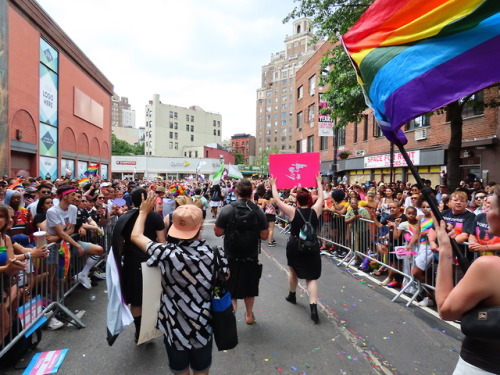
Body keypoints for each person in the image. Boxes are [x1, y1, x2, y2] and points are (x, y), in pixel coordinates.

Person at [131, 196, 228, 375]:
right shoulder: (214, 254)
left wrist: (143, 212)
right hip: (203, 324)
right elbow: (226, 276)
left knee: (179, 370)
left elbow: (136, 236)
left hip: (174, 325)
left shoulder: (165, 253)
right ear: (200, 226)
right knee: (202, 370)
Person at [435, 185, 500, 374]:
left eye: (489, 208)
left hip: (483, 365)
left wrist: (446, 250)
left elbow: (446, 311)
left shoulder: (489, 267)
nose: (485, 213)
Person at [270, 174, 324, 324]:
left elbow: (277, 200)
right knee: (311, 277)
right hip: (312, 246)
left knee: (293, 270)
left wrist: (274, 184)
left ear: (297, 200)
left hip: (295, 245)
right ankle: (313, 307)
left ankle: (292, 295)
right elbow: (321, 198)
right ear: (309, 199)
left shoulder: (293, 211)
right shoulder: (315, 211)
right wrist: (319, 183)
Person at [214, 179, 268, 325]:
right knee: (250, 288)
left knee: (231, 290)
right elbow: (264, 236)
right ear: (252, 193)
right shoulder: (257, 211)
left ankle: (230, 320)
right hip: (250, 256)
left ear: (236, 191)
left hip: (231, 256)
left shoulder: (228, 209)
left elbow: (218, 233)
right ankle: (249, 315)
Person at [117, 187, 166, 342]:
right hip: (151, 262)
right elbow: (162, 242)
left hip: (131, 263)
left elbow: (118, 243)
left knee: (136, 300)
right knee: (152, 299)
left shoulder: (125, 217)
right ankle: (148, 330)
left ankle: (139, 331)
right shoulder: (155, 217)